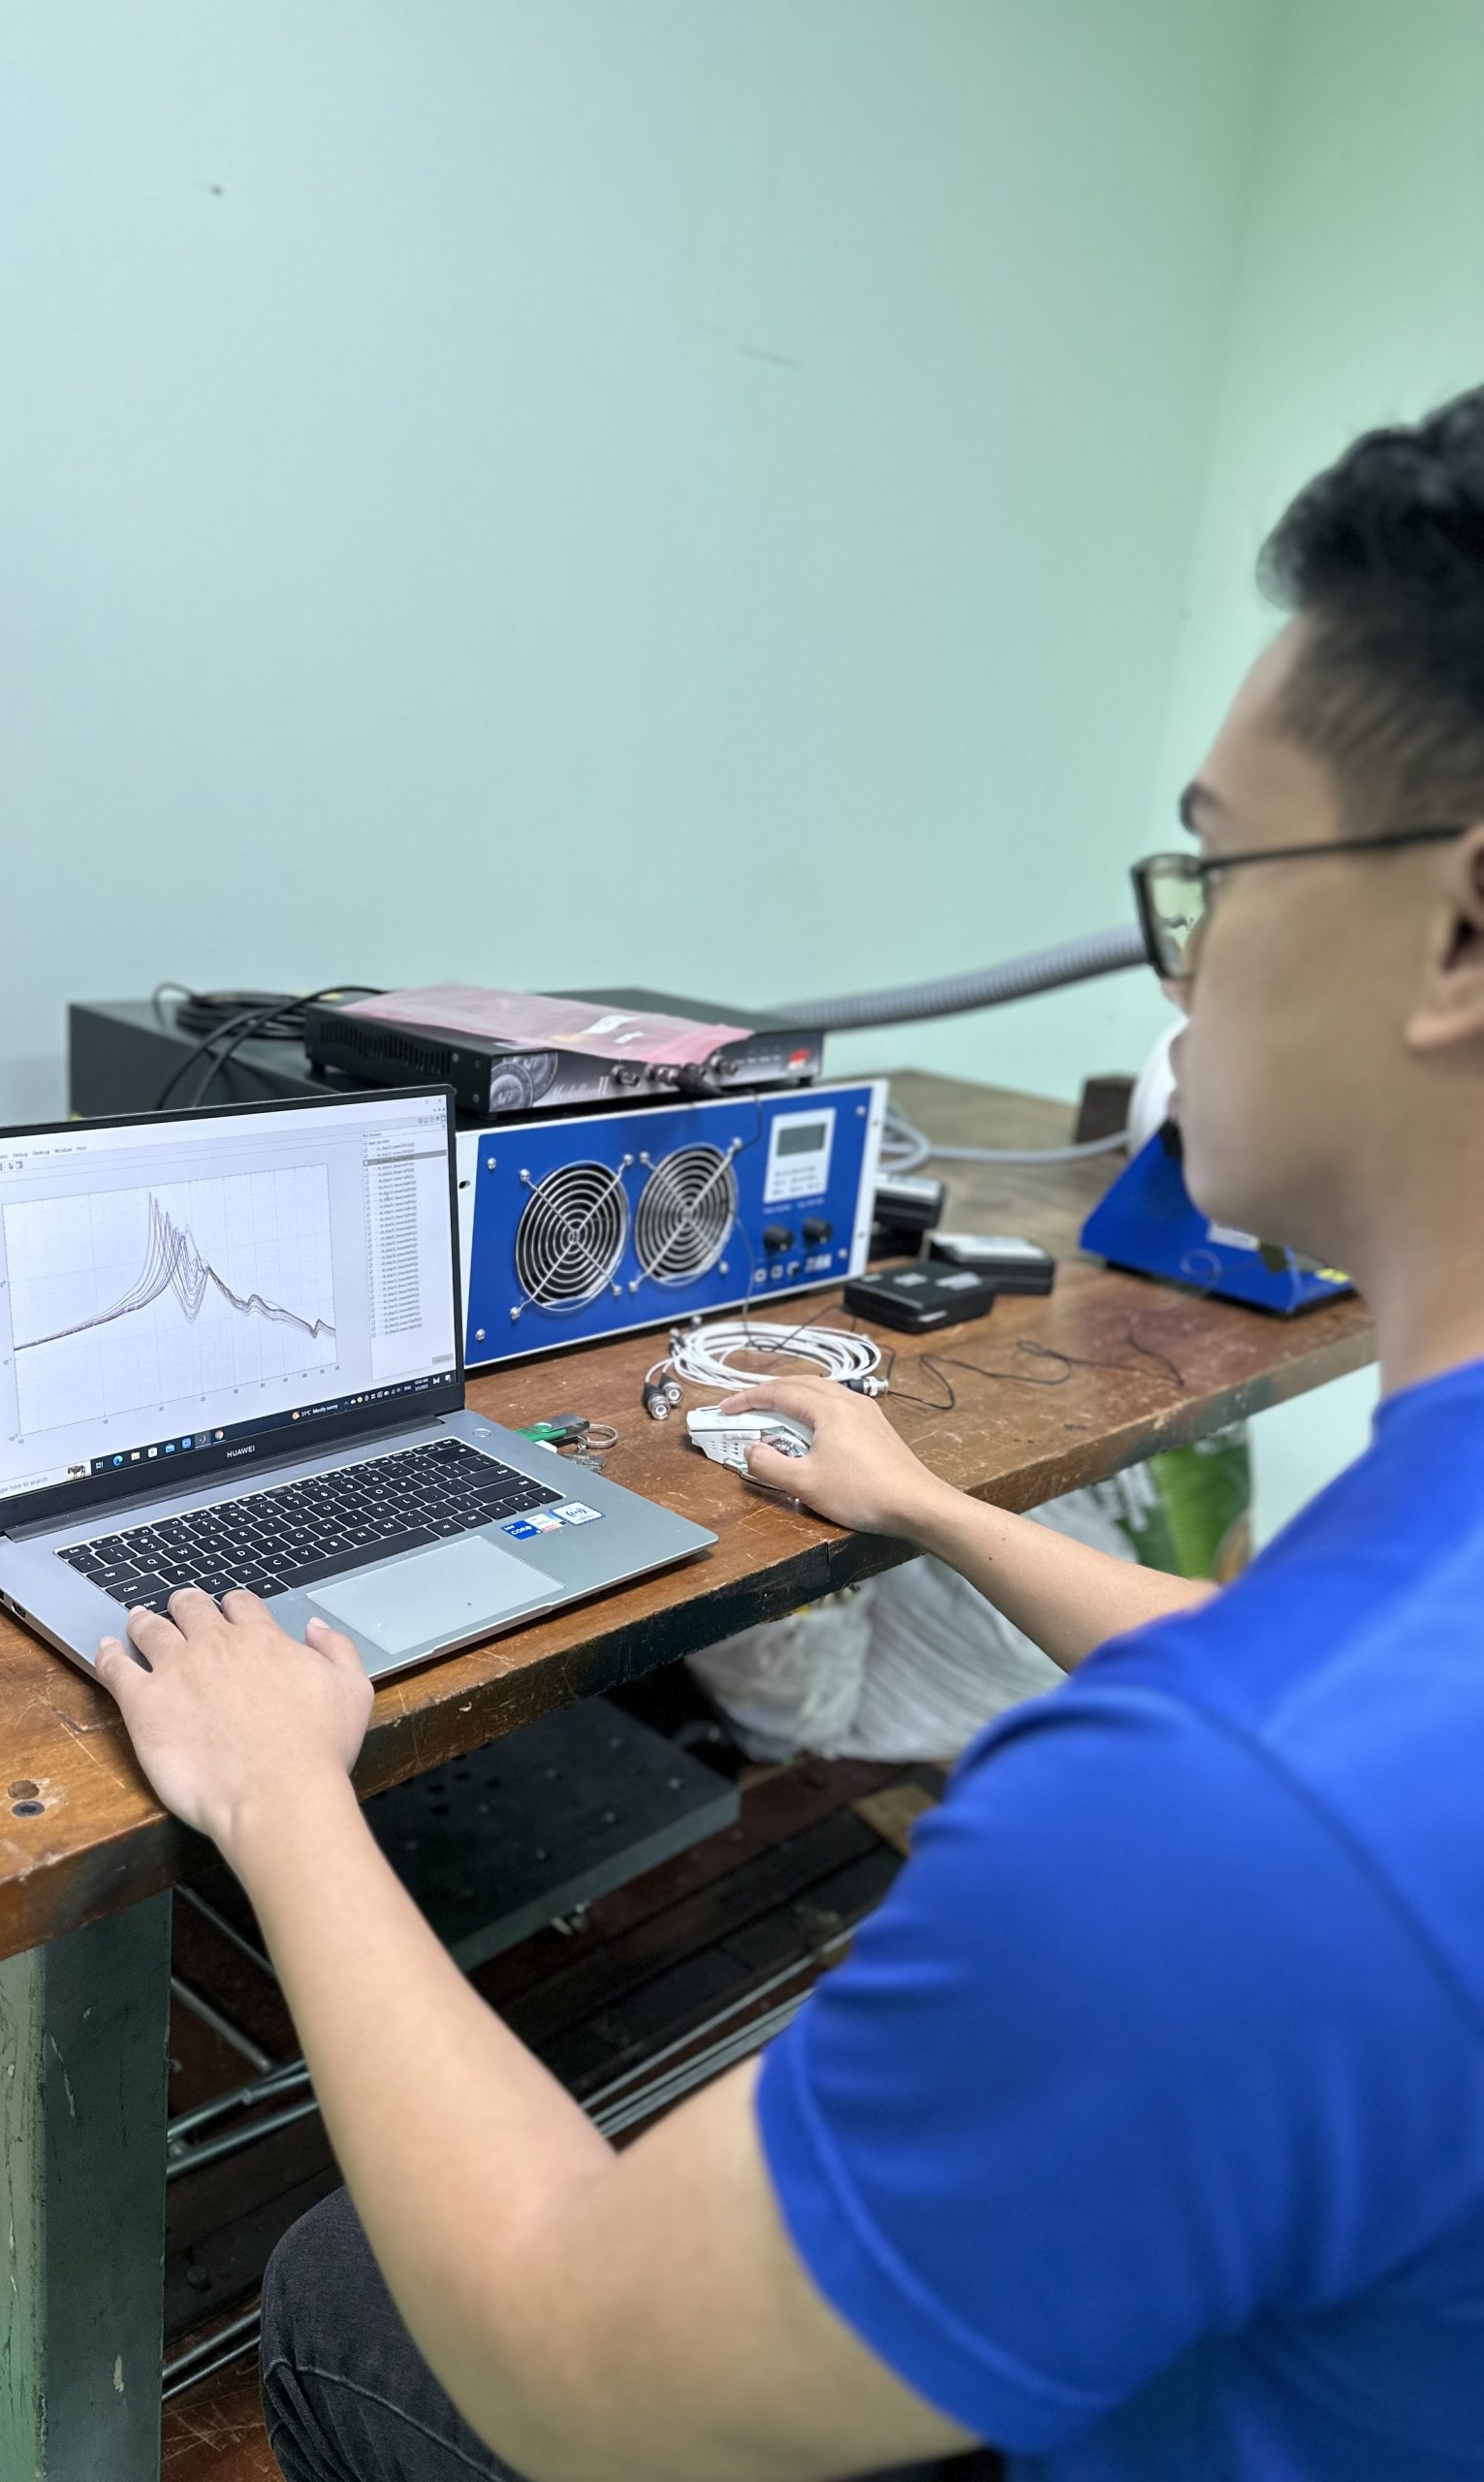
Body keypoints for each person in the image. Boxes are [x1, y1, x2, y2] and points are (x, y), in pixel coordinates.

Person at [95, 389, 1484, 2481]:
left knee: (339, 2285)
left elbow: (566, 2358)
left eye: (1216, 867)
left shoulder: (1221, 1830)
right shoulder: (1360, 1678)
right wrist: (924, 1501)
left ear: (1461, 930)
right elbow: (1296, 1679)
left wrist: (282, 1791)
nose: (1183, 967)